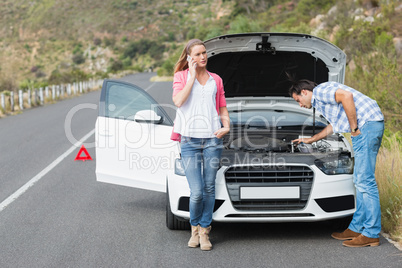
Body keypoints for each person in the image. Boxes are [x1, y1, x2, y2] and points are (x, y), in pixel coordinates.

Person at [289, 79, 384, 247]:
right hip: (367, 126)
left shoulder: (320, 92)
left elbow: (346, 96)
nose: (300, 105)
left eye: (298, 100)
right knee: (359, 181)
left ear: (304, 92)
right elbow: (334, 125)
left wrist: (354, 129)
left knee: (365, 181)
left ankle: (371, 233)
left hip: (365, 127)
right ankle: (356, 228)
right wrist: (312, 139)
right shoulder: (323, 99)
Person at [171, 39, 230, 251]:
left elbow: (222, 106)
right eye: (197, 54)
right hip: (189, 141)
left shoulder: (216, 79)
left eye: (204, 53)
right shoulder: (181, 77)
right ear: (189, 58)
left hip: (213, 139)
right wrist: (192, 76)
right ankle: (194, 228)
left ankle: (205, 231)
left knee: (208, 187)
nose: (202, 57)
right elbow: (178, 101)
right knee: (196, 191)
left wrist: (227, 125)